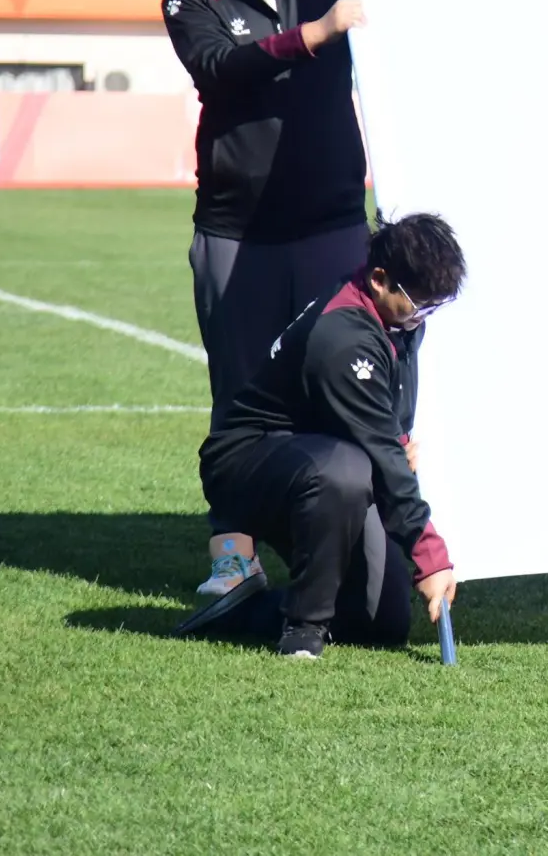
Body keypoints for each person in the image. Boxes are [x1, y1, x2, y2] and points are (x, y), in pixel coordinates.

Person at [161, 0, 371, 602]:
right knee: (241, 394)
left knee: (347, 384)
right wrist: (317, 34)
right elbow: (222, 69)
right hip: (237, 232)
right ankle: (233, 556)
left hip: (335, 226)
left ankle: (354, 551)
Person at [176, 214, 464, 658]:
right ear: (379, 279)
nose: (422, 317)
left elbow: (390, 430)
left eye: (432, 308)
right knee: (348, 470)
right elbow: (382, 455)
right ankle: (303, 627)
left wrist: (399, 443)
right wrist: (430, 556)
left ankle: (242, 613)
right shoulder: (345, 340)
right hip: (246, 462)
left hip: (318, 457)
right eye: (418, 305)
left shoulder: (400, 319)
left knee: (382, 619)